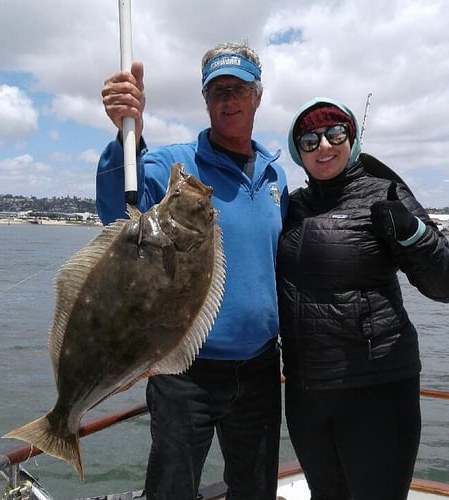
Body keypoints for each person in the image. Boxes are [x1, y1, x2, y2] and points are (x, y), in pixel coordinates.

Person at [97, 42, 289, 500]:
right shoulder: (174, 166)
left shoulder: (276, 175)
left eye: (238, 88)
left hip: (261, 367)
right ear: (204, 100)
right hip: (184, 370)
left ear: (257, 95)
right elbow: (116, 213)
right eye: (217, 90)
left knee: (256, 488)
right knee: (171, 490)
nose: (228, 100)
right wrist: (129, 134)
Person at [276, 96, 449, 500]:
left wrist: (414, 235)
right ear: (296, 151)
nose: (323, 145)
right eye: (309, 139)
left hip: (377, 390)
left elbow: (443, 285)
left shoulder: (385, 193)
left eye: (335, 133)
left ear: (351, 138)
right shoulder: (291, 208)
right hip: (306, 393)